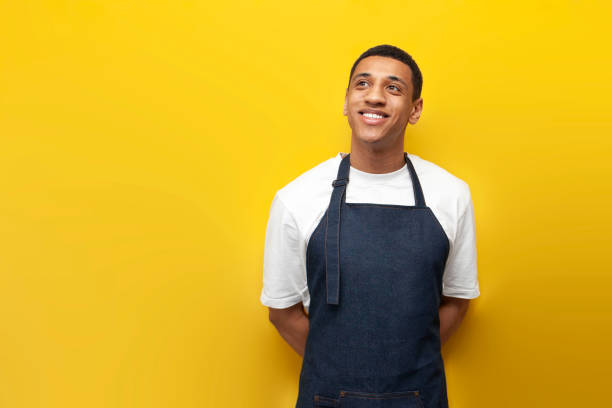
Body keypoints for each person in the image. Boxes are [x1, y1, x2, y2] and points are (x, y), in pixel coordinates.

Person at [260, 44, 480, 408]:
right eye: (363, 84)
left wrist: (403, 367)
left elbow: (457, 301)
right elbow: (282, 313)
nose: (375, 96)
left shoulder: (451, 194)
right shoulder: (296, 198)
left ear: (415, 110)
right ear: (347, 102)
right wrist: (339, 372)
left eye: (393, 88)